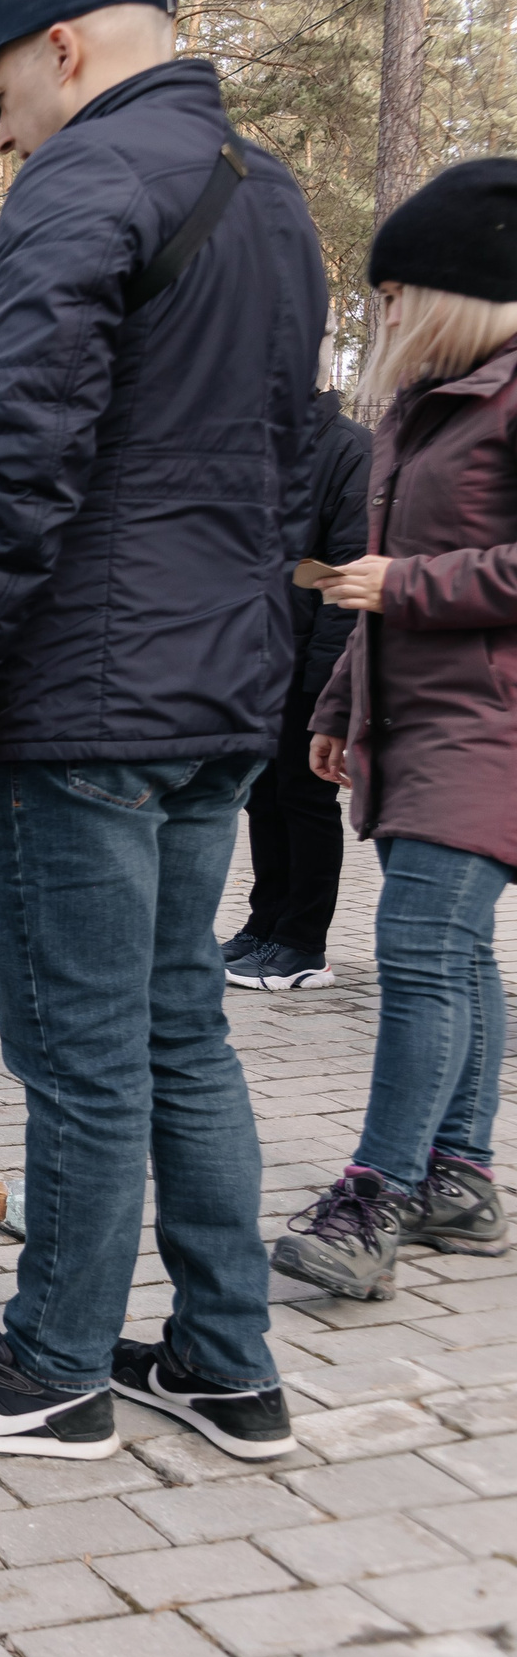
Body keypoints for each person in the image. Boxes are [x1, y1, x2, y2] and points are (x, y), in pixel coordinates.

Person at [0, 0, 326, 1466]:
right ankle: (224, 1360)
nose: (2, 127)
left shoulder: (88, 173)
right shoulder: (273, 194)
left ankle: (51, 1368)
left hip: (91, 689)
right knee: (180, 1021)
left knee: (81, 1047)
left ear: (65, 47)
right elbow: (295, 446)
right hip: (223, 681)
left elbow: (27, 430)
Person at [271, 160, 517, 1301]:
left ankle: (373, 1192)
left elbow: (407, 578)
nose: (384, 317)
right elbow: (366, 583)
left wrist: (412, 585)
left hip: (492, 726)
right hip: (410, 719)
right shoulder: (420, 411)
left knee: (419, 954)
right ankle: (458, 1177)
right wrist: (335, 707)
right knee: (457, 955)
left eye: (396, 293)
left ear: (458, 291)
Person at [225, 326, 370, 992]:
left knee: (304, 801)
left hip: (311, 665)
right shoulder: (255, 447)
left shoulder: (350, 452)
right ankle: (265, 923)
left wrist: (324, 689)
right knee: (263, 797)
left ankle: (302, 943)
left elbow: (344, 583)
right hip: (249, 658)